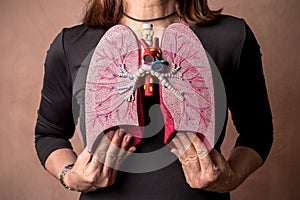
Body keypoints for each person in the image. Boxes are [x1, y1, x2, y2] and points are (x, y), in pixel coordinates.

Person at [34, 0, 274, 199]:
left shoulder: (230, 37)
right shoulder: (72, 45)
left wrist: (230, 177)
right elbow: (49, 134)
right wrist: (70, 176)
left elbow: (258, 133)